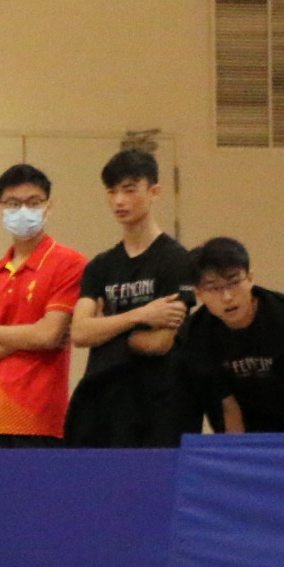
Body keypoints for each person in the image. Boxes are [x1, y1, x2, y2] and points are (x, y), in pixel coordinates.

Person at [65, 150, 194, 448]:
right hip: (104, 404)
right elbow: (81, 332)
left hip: (158, 408)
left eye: (129, 189)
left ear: (154, 192)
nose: (119, 201)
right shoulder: (100, 266)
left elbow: (160, 342)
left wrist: (106, 331)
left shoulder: (177, 261)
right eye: (112, 191)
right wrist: (141, 315)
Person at [0, 164, 84, 448]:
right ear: (0, 208)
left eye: (33, 203)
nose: (23, 212)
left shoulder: (69, 263)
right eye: (13, 204)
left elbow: (49, 335)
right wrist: (31, 337)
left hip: (40, 418)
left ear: (48, 207)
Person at [179, 237, 284, 434]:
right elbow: (228, 407)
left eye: (233, 283)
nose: (227, 297)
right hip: (252, 422)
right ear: (199, 293)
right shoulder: (198, 334)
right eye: (214, 288)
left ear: (250, 278)